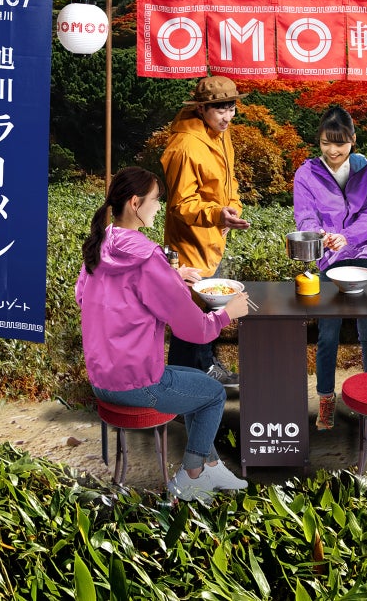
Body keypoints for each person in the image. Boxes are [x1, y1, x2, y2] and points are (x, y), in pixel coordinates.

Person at [75, 165, 251, 502]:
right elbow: (196, 331)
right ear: (136, 203)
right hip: (138, 384)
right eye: (157, 200)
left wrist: (169, 275)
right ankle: (191, 476)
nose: (160, 207)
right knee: (212, 393)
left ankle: (210, 463)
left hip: (102, 378)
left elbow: (83, 295)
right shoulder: (146, 258)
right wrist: (228, 313)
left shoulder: (100, 244)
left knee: (190, 381)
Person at [292, 105, 367, 431]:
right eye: (326, 143)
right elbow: (304, 215)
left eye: (340, 143)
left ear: (352, 140)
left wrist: (346, 237)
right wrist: (318, 233)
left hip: (363, 254)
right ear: (318, 142)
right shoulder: (306, 174)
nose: (333, 151)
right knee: (328, 333)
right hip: (328, 260)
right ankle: (326, 400)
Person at [159, 75, 253, 385]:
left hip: (213, 240)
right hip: (189, 245)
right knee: (191, 320)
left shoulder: (219, 132)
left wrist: (232, 209)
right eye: (220, 110)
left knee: (210, 314)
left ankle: (208, 368)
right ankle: (183, 388)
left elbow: (228, 180)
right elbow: (181, 204)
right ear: (201, 108)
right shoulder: (185, 147)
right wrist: (217, 216)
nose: (228, 117)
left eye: (231, 108)